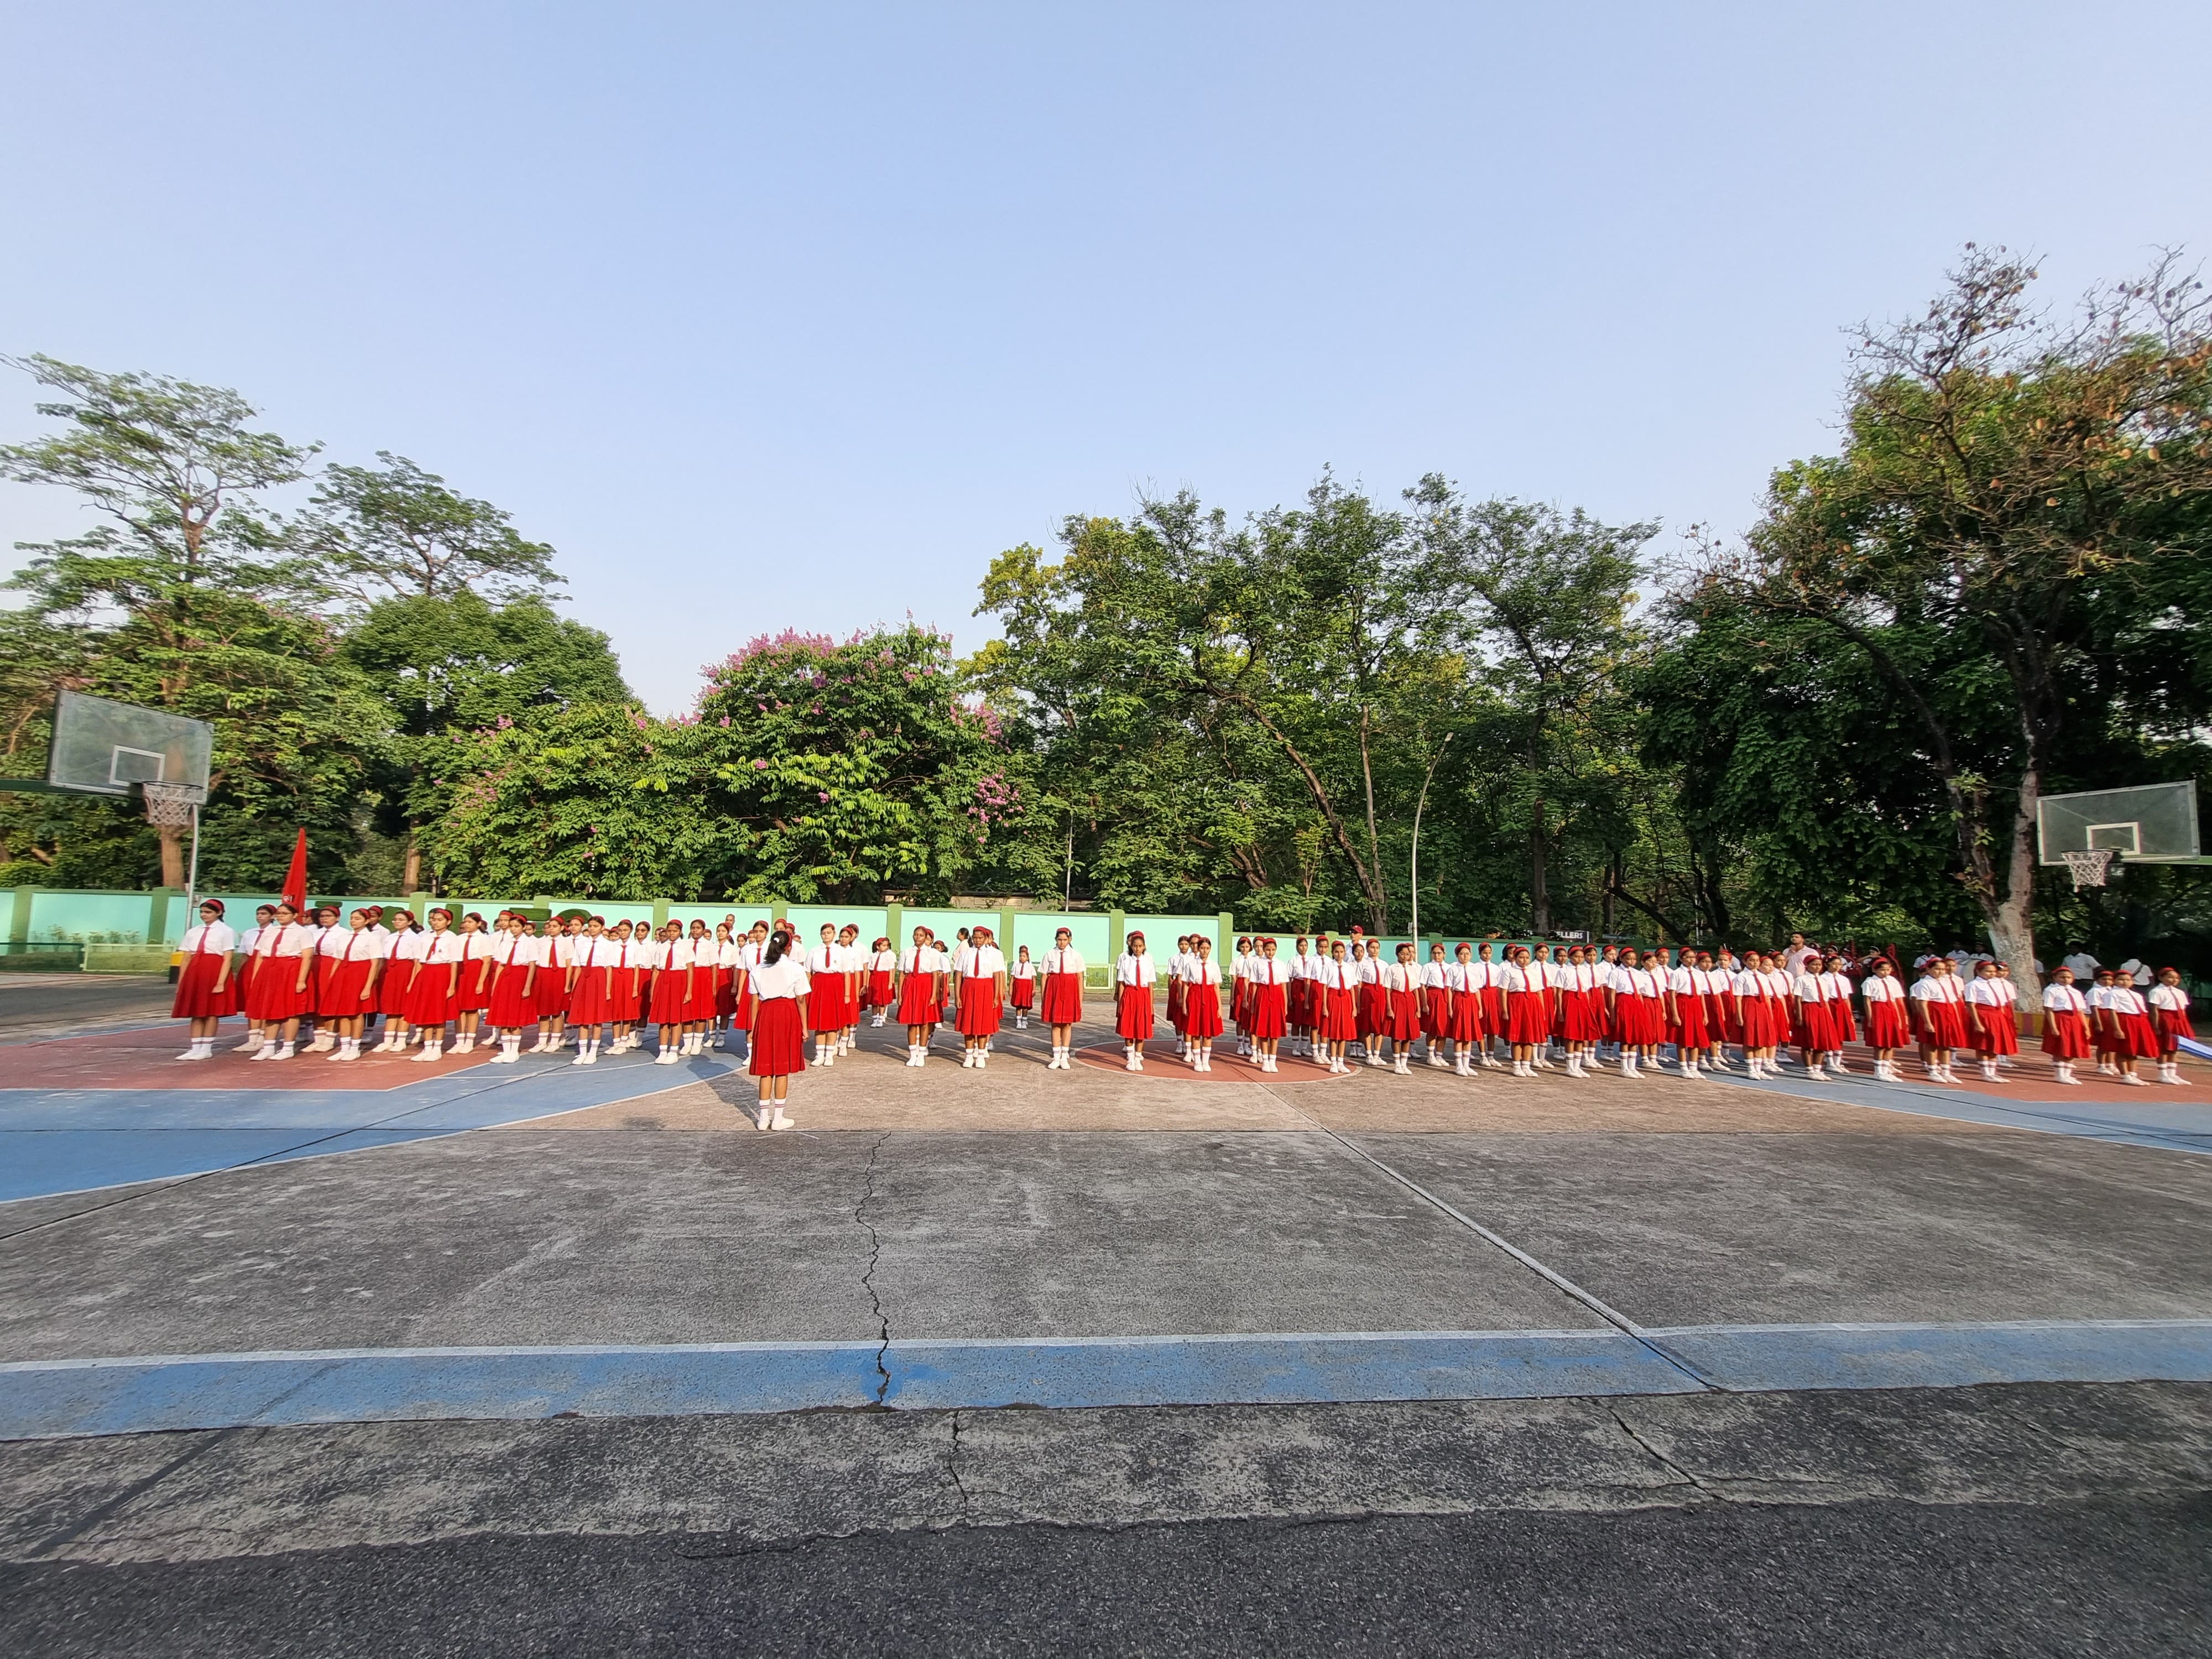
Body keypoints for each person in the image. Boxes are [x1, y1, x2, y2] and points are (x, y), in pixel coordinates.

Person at [747, 928, 808, 1129]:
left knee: (766, 1070)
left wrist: (754, 1027)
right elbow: (801, 999)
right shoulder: (795, 968)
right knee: (782, 1068)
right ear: (788, 947)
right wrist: (804, 1027)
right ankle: (778, 1118)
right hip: (786, 1014)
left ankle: (763, 1118)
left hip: (765, 1014)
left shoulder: (758, 969)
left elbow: (754, 1001)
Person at [244, 900, 318, 1061]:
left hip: (290, 970)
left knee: (290, 1010)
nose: (280, 916)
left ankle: (288, 1047)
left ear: (295, 915)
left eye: (285, 914)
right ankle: (268, 1047)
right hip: (270, 970)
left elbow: (307, 957)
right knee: (270, 1009)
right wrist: (256, 978)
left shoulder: (302, 932)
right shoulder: (270, 932)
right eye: (278, 914)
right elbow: (260, 955)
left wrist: (301, 980)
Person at [316, 907, 386, 1063]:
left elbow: (375, 963)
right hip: (343, 974)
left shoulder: (371, 939)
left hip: (360, 974)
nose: (353, 921)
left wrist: (368, 986)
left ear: (366, 921)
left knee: (357, 1013)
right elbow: (337, 960)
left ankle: (355, 1048)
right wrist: (333, 979)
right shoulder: (344, 937)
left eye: (358, 919)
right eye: (352, 918)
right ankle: (344, 1048)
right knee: (343, 1013)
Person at [171, 899, 237, 1061]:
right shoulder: (194, 932)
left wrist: (221, 982)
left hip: (213, 970)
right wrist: (182, 981)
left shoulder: (226, 931)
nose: (204, 915)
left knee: (210, 1012)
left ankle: (206, 1048)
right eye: (202, 912)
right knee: (196, 1011)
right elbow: (187, 957)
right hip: (195, 971)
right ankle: (195, 1048)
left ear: (218, 913)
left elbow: (228, 958)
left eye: (208, 912)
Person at [404, 907, 463, 1063]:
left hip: (442, 974)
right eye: (434, 920)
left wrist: (451, 986)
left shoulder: (452, 939)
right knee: (425, 1012)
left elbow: (454, 964)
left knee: (439, 1013)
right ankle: (427, 1047)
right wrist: (413, 982)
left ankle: (437, 1048)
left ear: (448, 922)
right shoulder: (425, 938)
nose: (436, 923)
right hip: (426, 974)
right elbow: (419, 962)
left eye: (440, 920)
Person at [482, 912, 536, 1063]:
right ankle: (506, 1051)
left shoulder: (529, 943)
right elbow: (501, 964)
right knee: (503, 1015)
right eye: (511, 926)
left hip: (520, 977)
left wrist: (527, 986)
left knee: (515, 1016)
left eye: (517, 926)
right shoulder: (506, 942)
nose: (513, 929)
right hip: (505, 978)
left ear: (523, 927)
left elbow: (532, 966)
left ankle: (514, 1051)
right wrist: (495, 986)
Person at [955, 925, 1008, 1068]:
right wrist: (958, 996)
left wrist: (996, 996)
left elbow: (997, 975)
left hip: (986, 988)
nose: (977, 940)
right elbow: (959, 974)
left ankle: (980, 1055)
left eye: (980, 938)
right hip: (969, 987)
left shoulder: (993, 954)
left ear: (985, 938)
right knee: (968, 1023)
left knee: (983, 1024)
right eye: (975, 938)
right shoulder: (966, 953)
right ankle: (968, 1055)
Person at [895, 926, 946, 1067]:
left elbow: (935, 975)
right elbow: (902, 974)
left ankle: (922, 1054)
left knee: (924, 1022)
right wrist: (900, 995)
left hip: (926, 985)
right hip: (911, 985)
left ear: (926, 938)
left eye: (921, 935)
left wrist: (934, 995)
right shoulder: (907, 952)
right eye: (916, 935)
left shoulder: (933, 953)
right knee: (912, 1023)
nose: (918, 937)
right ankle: (913, 1054)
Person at [231, 903, 277, 1051]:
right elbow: (245, 955)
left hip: (267, 966)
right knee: (251, 1002)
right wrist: (240, 973)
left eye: (264, 914)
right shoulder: (249, 933)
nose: (260, 917)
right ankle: (252, 1039)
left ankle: (263, 1037)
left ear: (272, 916)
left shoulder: (275, 932)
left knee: (264, 1002)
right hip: (250, 967)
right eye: (258, 914)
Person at [1964, 959, 2018, 1082]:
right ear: (1979, 971)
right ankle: (1985, 1073)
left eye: (1993, 971)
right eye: (1988, 971)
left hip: (1997, 1015)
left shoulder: (1997, 984)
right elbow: (1971, 1005)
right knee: (1983, 1045)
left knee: (1995, 1044)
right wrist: (1977, 1023)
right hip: (1983, 1014)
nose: (1992, 974)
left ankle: (1993, 1072)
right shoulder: (1973, 985)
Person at [2039, 966, 2094, 1087]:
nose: (2065, 979)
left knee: (2073, 1047)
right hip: (2061, 1018)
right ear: (2055, 978)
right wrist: (2053, 1027)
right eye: (2062, 977)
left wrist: (2086, 1027)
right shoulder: (2051, 990)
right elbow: (2049, 1009)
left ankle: (2068, 1074)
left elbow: (2080, 1011)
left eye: (2068, 977)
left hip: (2075, 1020)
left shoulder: (2076, 992)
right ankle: (2060, 1075)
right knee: (2060, 1047)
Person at [1041, 927, 1086, 1070]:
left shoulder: (1076, 955)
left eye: (1065, 940)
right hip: (1054, 988)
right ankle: (1056, 1057)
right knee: (1055, 1024)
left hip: (1070, 988)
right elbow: (1044, 976)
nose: (1062, 943)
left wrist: (1080, 999)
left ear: (1070, 940)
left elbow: (1080, 977)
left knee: (1067, 1024)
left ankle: (1065, 1055)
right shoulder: (1049, 954)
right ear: (1056, 940)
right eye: (1060, 940)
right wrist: (1044, 997)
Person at [1178, 936, 1224, 1071]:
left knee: (1208, 1031)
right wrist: (1185, 1004)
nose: (1205, 951)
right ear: (1198, 948)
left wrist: (1219, 1006)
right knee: (1196, 1031)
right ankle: (1197, 1062)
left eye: (1208, 948)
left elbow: (1216, 987)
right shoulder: (1191, 965)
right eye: (1203, 948)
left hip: (1210, 998)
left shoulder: (1214, 966)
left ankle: (1206, 1062)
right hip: (1195, 996)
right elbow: (1186, 985)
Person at [1247, 937, 1290, 1073]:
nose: (1270, 953)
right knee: (1264, 1030)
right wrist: (1253, 1003)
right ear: (1264, 949)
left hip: (1277, 995)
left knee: (1275, 1031)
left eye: (1273, 950)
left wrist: (1285, 1005)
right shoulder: (1258, 964)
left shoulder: (1281, 965)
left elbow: (1284, 986)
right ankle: (1265, 1061)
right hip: (1263, 994)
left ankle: (1273, 1061)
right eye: (1268, 950)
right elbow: (1254, 985)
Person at [1115, 931, 1156, 1071]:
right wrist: (1120, 1003)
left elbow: (1150, 986)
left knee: (1141, 1027)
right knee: (1129, 1027)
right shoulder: (1126, 961)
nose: (1137, 949)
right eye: (1135, 946)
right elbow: (1121, 984)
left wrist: (1151, 1004)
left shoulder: (1148, 963)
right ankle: (1130, 1058)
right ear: (1131, 946)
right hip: (1129, 994)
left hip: (1143, 995)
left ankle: (1138, 1058)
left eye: (1140, 946)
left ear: (1144, 946)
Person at [2148, 967, 2195, 1087]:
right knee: (2164, 1047)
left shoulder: (2180, 992)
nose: (2174, 980)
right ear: (2161, 978)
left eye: (2176, 978)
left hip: (2178, 1020)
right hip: (2165, 1019)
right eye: (2170, 977)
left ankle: (2172, 1074)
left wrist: (2184, 1023)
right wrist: (2156, 1025)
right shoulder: (2157, 991)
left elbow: (2183, 1009)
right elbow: (2154, 1010)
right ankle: (2163, 1074)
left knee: (2174, 1047)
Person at [866, 937, 898, 1028]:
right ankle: (875, 1019)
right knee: (874, 1001)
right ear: (878, 946)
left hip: (884, 978)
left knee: (882, 1001)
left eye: (887, 946)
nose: (886, 947)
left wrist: (890, 983)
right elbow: (869, 970)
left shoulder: (889, 956)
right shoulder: (873, 956)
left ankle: (881, 1018)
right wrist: (867, 983)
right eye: (884, 946)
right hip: (874, 978)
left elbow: (891, 970)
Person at [1010, 943, 1037, 1031]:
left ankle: (1024, 1021)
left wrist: (1034, 989)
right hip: (1018, 985)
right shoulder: (1016, 965)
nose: (1022, 958)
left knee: (1025, 1005)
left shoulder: (1031, 967)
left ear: (1028, 958)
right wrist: (1010, 989)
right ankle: (1019, 1021)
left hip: (1027, 986)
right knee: (1018, 1005)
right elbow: (1012, 978)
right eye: (1021, 956)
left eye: (1024, 956)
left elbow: (1034, 978)